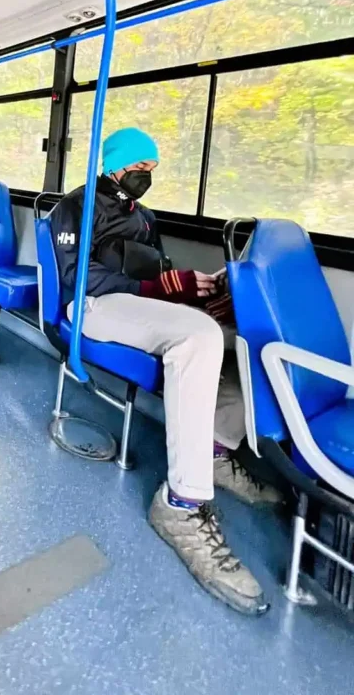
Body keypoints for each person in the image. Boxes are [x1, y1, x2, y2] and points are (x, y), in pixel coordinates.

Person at [50, 126, 282, 616]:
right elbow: (76, 276)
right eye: (139, 168)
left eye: (152, 170)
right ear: (115, 164)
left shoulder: (146, 218)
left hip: (137, 304)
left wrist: (191, 289)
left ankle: (215, 449)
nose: (145, 177)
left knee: (237, 334)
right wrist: (157, 291)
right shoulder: (75, 207)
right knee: (196, 338)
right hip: (93, 304)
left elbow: (159, 271)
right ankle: (182, 504)